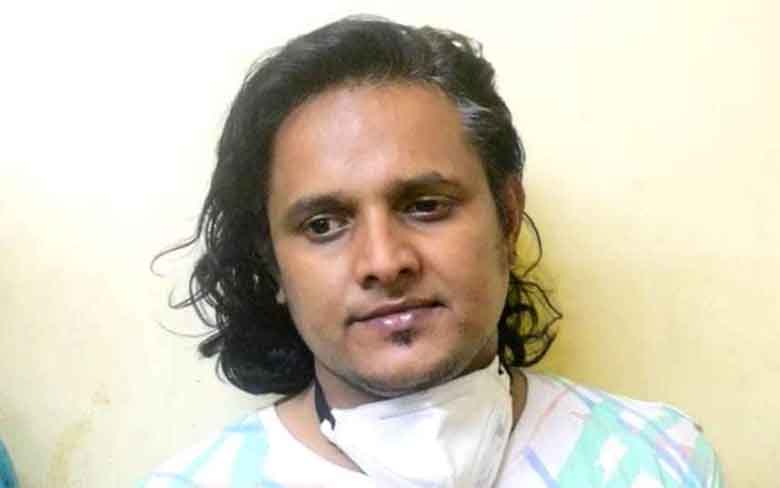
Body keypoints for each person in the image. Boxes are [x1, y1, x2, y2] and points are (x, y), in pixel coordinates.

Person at [143, 16, 723, 487]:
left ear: (507, 216)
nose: (384, 262)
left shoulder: (660, 459)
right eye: (323, 224)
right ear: (272, 260)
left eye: (425, 205)